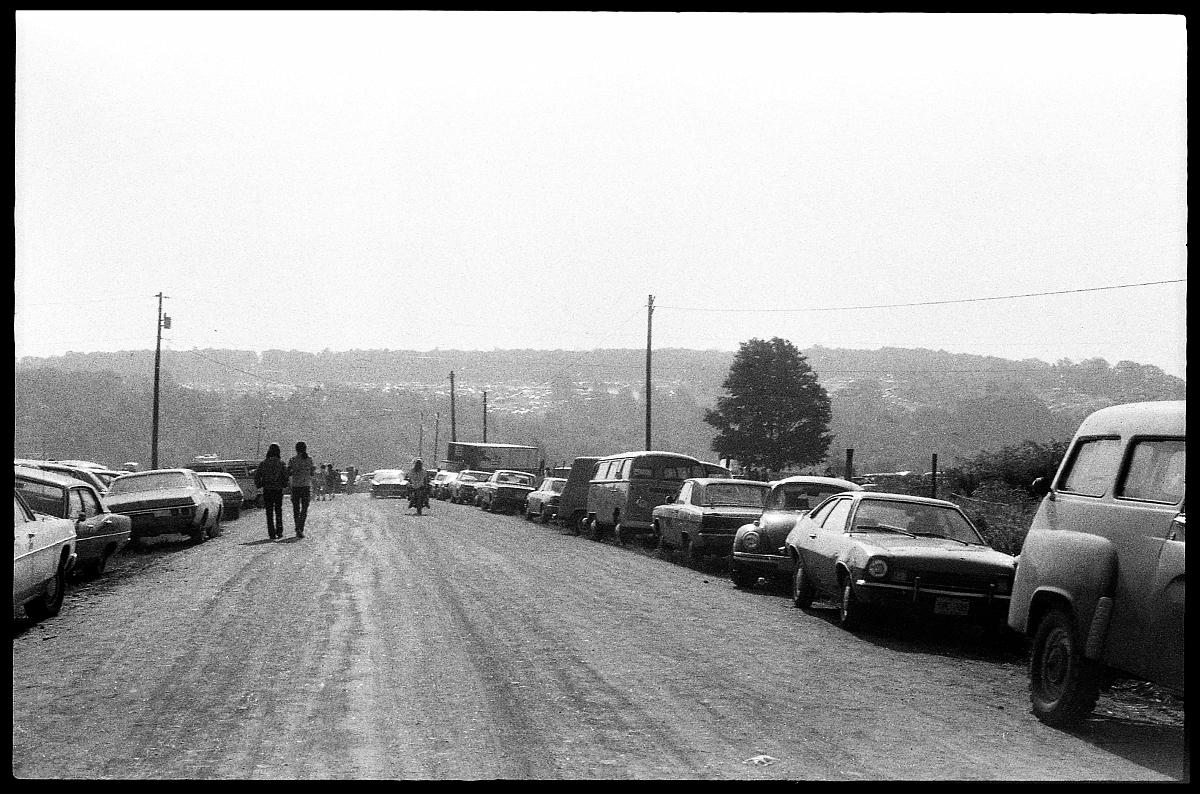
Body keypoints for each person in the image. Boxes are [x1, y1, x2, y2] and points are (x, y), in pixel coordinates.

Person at [254, 443, 288, 540]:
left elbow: (257, 476)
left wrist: (259, 484)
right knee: (278, 510)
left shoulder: (263, 463)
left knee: (269, 512)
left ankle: (271, 533)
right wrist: (284, 484)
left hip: (267, 490)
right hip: (278, 490)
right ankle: (279, 531)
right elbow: (285, 476)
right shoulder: (281, 463)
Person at [287, 441, 316, 538]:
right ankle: (300, 527)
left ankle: (297, 527)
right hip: (305, 486)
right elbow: (312, 473)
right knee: (304, 508)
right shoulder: (309, 459)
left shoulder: (292, 460)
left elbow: (289, 473)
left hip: (295, 486)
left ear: (296, 449)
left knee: (296, 508)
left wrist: (296, 471)